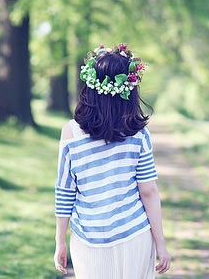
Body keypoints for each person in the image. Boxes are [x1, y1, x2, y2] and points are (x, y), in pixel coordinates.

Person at [53, 43, 170, 278]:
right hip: (134, 234)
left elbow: (65, 191)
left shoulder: (71, 133)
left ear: (90, 86)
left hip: (88, 238)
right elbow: (148, 191)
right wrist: (161, 244)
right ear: (130, 90)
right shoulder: (138, 133)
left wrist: (60, 241)